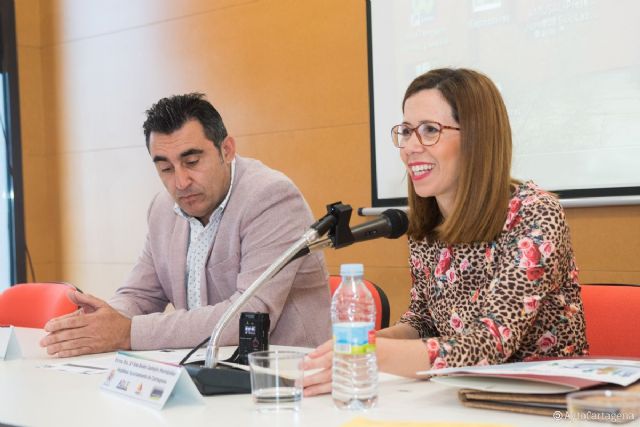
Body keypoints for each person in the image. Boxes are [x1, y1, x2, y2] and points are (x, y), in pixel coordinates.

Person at [303, 68, 587, 396]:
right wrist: (351, 345)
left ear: (477, 138)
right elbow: (424, 321)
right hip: (458, 397)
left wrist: (373, 354)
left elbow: (488, 343)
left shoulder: (534, 214)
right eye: (406, 131)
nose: (410, 146)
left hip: (544, 403)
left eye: (429, 130)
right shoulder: (427, 225)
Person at [40, 93, 331, 357]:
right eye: (165, 168)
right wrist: (101, 322)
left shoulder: (271, 198)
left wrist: (127, 332)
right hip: (204, 369)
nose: (180, 182)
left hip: (287, 377)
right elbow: (141, 294)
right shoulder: (162, 209)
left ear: (226, 150)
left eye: (192, 161)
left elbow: (248, 316)